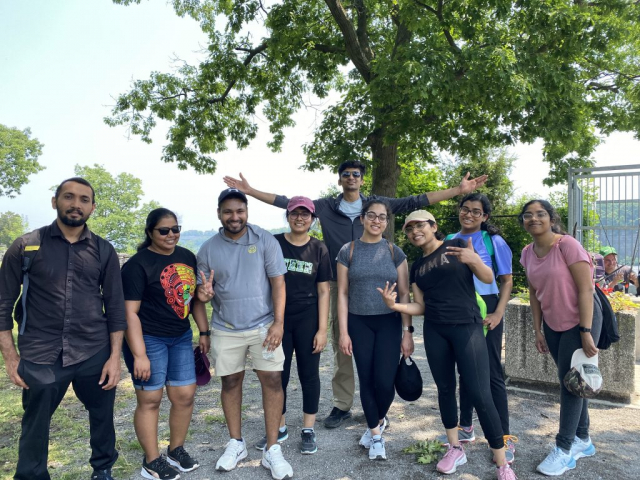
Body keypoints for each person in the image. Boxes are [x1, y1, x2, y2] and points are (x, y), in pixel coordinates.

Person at [223, 162, 488, 428]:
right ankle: (342, 404)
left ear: (362, 179)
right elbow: (286, 202)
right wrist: (250, 191)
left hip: (377, 285)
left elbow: (417, 200)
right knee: (343, 347)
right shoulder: (326, 206)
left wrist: (458, 190)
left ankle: (376, 408)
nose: (351, 177)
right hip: (338, 282)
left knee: (377, 357)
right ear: (340, 180)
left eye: (356, 174)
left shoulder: (377, 205)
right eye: (346, 174)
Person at [0, 177, 126, 480]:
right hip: (41, 353)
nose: (76, 204)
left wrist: (114, 358)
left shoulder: (103, 250)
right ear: (55, 201)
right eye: (68, 197)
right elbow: (2, 303)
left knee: (102, 417)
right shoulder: (26, 245)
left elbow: (115, 306)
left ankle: (103, 469)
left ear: (92, 207)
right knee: (35, 423)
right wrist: (10, 357)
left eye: (84, 199)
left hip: (93, 350)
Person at [378, 210, 517, 479]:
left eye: (420, 225)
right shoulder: (417, 267)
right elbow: (420, 306)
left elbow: (488, 278)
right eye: (409, 229)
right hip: (435, 331)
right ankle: (455, 448)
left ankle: (502, 463)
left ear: (433, 226)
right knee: (445, 389)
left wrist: (474, 259)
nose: (415, 231)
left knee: (480, 392)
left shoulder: (456, 246)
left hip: (467, 327)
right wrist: (394, 305)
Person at [196, 188, 293, 480]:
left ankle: (272, 448)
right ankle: (236, 443)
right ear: (219, 214)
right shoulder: (208, 249)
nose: (234, 216)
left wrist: (279, 323)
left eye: (240, 211)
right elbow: (201, 293)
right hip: (226, 328)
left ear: (247, 211)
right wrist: (203, 294)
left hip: (264, 326)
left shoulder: (265, 240)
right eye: (228, 211)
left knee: (273, 380)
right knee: (230, 381)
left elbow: (278, 283)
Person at [121, 208, 211, 480]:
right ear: (150, 232)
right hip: (149, 338)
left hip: (181, 336)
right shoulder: (137, 266)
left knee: (184, 395)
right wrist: (139, 354)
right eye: (164, 230)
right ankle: (151, 461)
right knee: (150, 399)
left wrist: (203, 331)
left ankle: (175, 450)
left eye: (175, 229)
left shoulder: (187, 257)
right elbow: (129, 313)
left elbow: (193, 300)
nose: (171, 234)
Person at [519, 200, 601, 476]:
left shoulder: (567, 245)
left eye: (540, 213)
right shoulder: (527, 252)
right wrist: (538, 330)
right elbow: (534, 293)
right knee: (573, 380)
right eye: (528, 215)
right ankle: (583, 439)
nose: (534, 218)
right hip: (553, 322)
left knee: (570, 384)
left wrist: (585, 331)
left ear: (551, 219)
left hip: (581, 319)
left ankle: (564, 450)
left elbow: (586, 289)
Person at [254, 196, 332, 454]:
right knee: (278, 374)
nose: (300, 218)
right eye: (294, 213)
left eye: (305, 214)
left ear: (312, 218)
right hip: (278, 319)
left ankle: (308, 429)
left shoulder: (319, 248)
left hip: (308, 318)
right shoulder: (274, 243)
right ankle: (280, 426)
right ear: (287, 216)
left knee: (309, 374)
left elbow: (324, 291)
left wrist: (322, 329)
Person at [336, 198, 412, 461]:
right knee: (366, 379)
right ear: (362, 219)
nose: (376, 220)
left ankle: (377, 420)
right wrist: (343, 332)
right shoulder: (348, 250)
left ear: (387, 222)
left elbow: (405, 293)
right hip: (359, 322)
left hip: (389, 322)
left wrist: (408, 332)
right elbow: (342, 293)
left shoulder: (394, 252)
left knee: (385, 381)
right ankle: (376, 435)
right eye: (371, 215)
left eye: (382, 217)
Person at [444, 193, 517, 462]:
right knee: (465, 368)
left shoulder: (494, 241)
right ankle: (465, 427)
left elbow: (506, 280)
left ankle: (504, 438)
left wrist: (498, 312)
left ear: (485, 216)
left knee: (492, 373)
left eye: (476, 211)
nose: (469, 214)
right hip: (459, 306)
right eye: (465, 209)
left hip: (488, 307)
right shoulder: (449, 239)